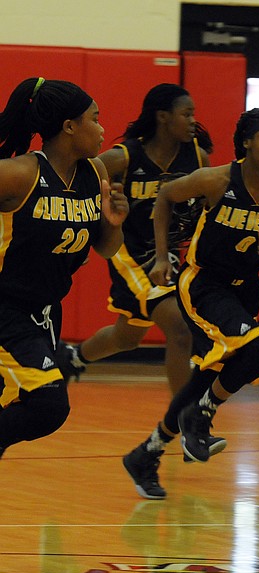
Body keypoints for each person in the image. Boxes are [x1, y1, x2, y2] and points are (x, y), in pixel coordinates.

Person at [122, 107, 259, 499]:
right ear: (246, 143)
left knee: (207, 376)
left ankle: (147, 453)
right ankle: (201, 417)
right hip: (203, 284)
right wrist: (159, 256)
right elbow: (166, 196)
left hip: (245, 289)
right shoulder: (217, 179)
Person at [0, 77, 129, 458]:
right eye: (96, 118)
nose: (104, 128)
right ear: (70, 127)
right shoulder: (21, 174)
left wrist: (115, 222)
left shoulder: (97, 174)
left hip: (44, 312)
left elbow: (106, 248)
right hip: (6, 308)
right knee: (49, 406)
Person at [58, 84, 213, 398]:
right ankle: (186, 422)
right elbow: (78, 179)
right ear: (163, 117)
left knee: (127, 336)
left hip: (170, 255)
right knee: (180, 329)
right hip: (129, 253)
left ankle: (72, 356)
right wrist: (83, 231)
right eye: (186, 114)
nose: (193, 121)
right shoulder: (124, 157)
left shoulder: (198, 157)